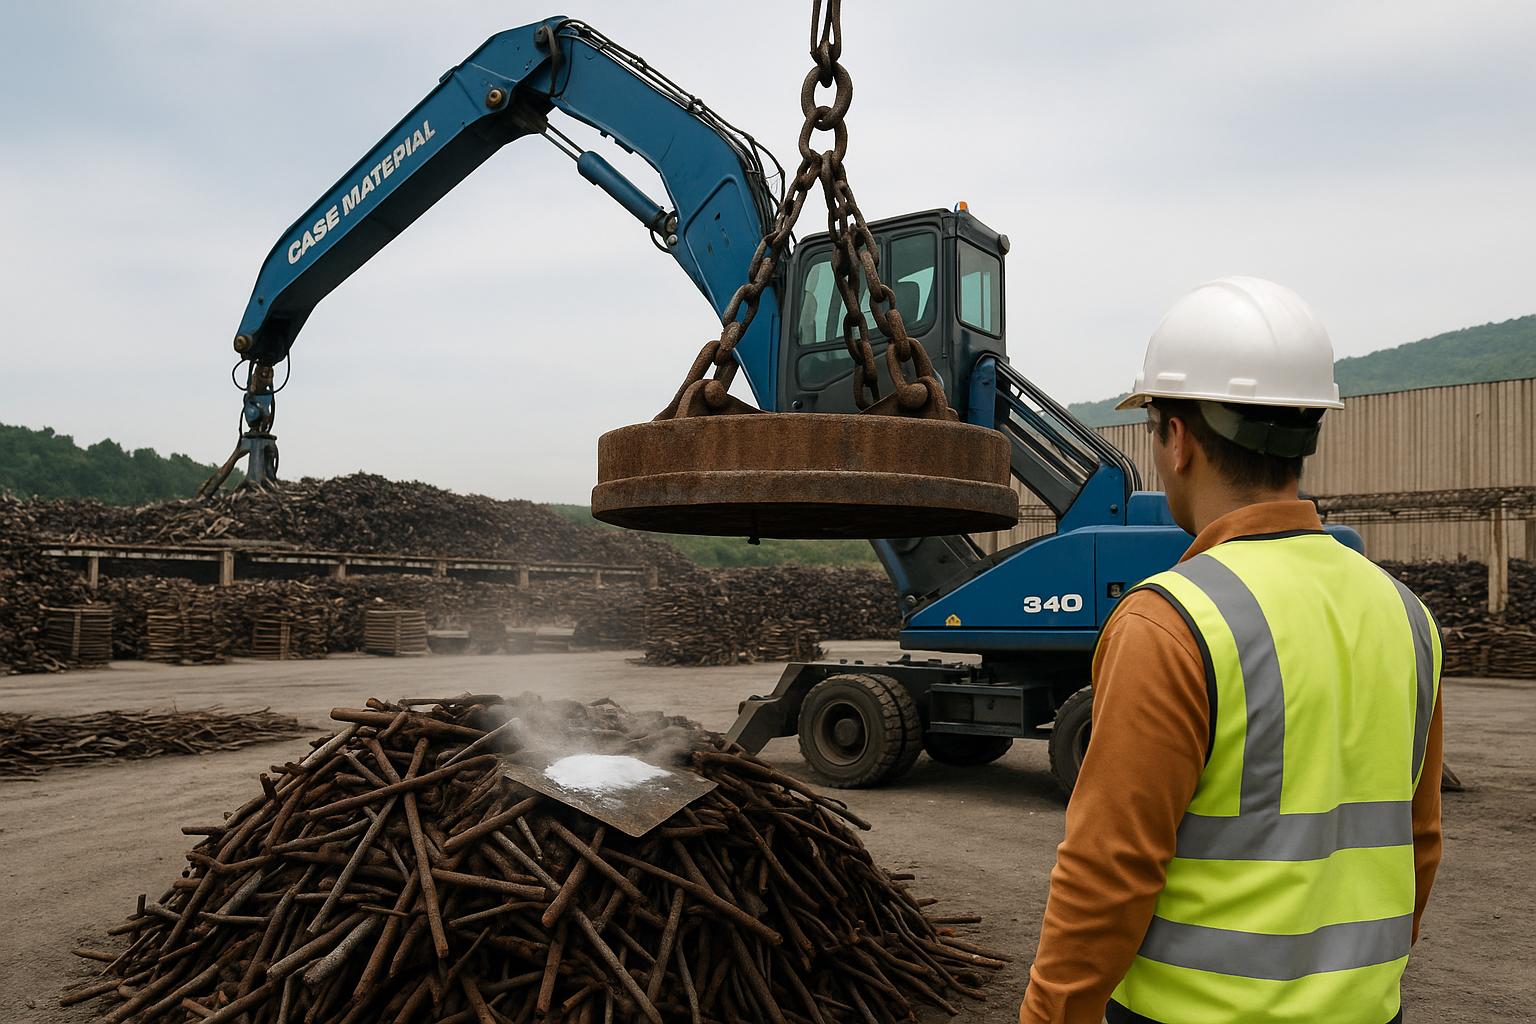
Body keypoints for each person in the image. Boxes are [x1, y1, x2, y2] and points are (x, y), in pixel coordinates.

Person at [1019, 277, 1443, 1024]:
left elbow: (1108, 874)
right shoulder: (1405, 615)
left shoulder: (1169, 623)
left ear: (1177, 439)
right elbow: (1419, 842)